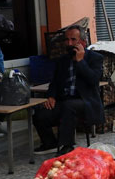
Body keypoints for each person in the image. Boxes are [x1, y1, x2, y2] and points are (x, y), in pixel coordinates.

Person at [33, 26, 105, 156]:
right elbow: (54, 82)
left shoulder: (95, 58)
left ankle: (67, 145)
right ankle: (50, 143)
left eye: (73, 40)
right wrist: (51, 96)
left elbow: (93, 80)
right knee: (40, 112)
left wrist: (81, 61)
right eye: (67, 40)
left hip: (86, 102)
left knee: (69, 106)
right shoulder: (63, 60)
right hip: (65, 100)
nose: (69, 43)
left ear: (82, 42)